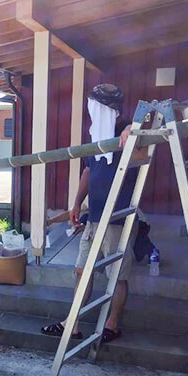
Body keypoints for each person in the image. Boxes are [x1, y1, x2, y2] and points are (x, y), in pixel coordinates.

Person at [41, 84, 147, 343]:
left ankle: (111, 325)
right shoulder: (96, 136)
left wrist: (134, 130)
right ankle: (72, 324)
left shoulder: (128, 132)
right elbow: (88, 171)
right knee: (81, 271)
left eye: (95, 106)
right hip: (94, 217)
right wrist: (77, 203)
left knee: (117, 277)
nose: (91, 111)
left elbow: (144, 152)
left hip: (118, 220)